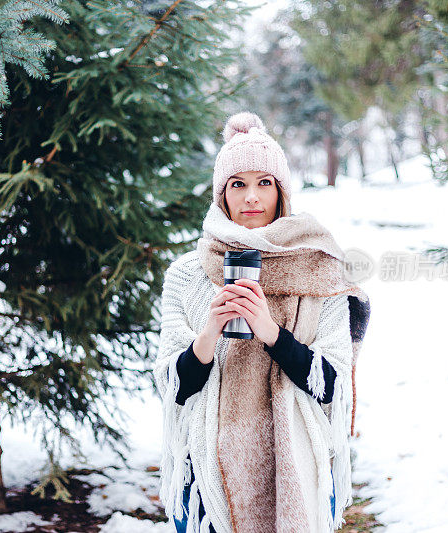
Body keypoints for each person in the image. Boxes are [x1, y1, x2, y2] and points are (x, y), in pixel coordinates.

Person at [153, 112, 370, 533]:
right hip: (207, 470)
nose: (251, 197)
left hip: (296, 463)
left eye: (264, 183)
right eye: (238, 184)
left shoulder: (319, 270)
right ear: (222, 195)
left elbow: (332, 382)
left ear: (281, 192)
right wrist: (209, 332)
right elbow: (171, 386)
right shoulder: (189, 273)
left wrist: (270, 333)